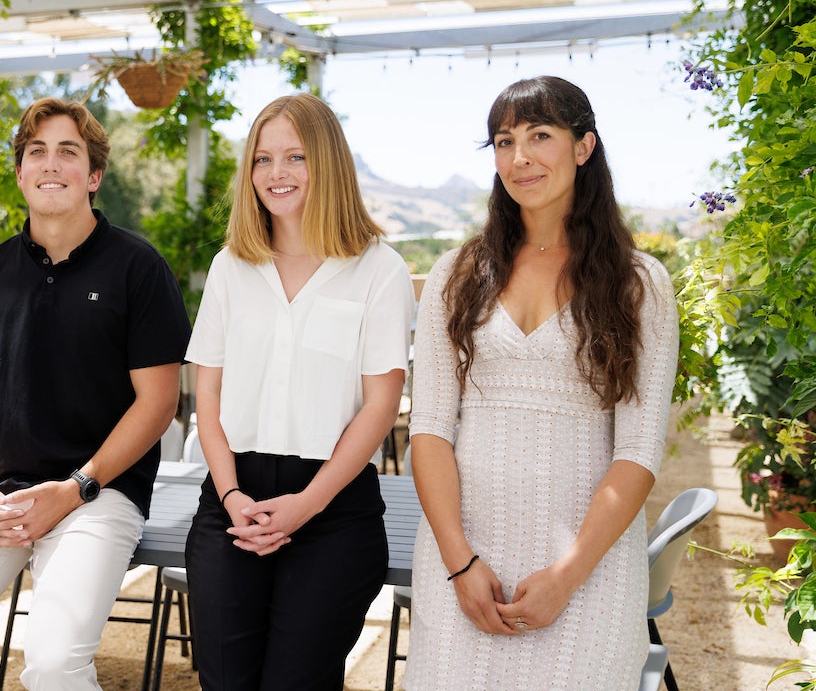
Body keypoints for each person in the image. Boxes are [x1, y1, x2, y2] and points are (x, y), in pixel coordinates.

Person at [0, 97, 190, 690]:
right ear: (20, 172)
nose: (51, 164)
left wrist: (77, 488)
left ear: (93, 175)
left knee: (51, 666)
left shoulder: (138, 267)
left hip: (98, 494)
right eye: (36, 152)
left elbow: (157, 405)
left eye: (67, 152)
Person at [403, 76, 678, 689]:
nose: (519, 157)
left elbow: (636, 451)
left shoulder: (640, 284)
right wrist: (459, 562)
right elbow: (428, 431)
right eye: (504, 141)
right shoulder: (458, 274)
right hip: (463, 559)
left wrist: (567, 574)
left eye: (540, 136)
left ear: (584, 147)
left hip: (589, 569)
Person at [184, 93, 416, 690]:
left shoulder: (379, 268)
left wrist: (307, 503)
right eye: (263, 159)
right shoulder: (230, 267)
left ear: (328, 164)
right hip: (234, 505)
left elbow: (381, 405)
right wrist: (233, 496)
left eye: (295, 157)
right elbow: (204, 399)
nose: (276, 174)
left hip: (334, 510)